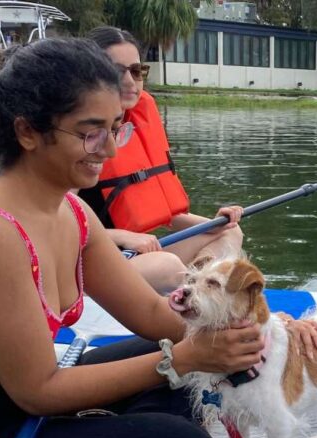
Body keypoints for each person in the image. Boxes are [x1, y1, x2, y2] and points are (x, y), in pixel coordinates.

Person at [0, 38, 317, 438]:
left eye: (116, 126)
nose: (111, 149)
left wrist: (264, 324)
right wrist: (184, 358)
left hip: (21, 406)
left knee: (172, 381)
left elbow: (157, 318)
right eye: (90, 133)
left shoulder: (72, 211)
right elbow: (37, 392)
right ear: (27, 131)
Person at [79, 26, 243, 294]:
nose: (131, 82)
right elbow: (55, 227)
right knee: (167, 266)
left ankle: (200, 294)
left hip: (132, 255)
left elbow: (161, 211)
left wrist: (215, 223)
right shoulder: (77, 136)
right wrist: (123, 236)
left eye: (136, 71)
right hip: (88, 260)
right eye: (117, 72)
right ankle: (198, 294)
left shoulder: (135, 125)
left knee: (229, 232)